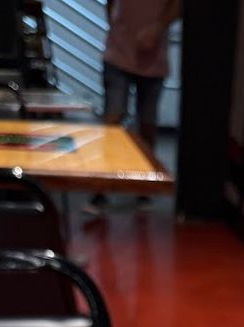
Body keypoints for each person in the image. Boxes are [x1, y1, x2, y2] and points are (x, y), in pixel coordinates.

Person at [88, 0, 181, 213]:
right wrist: (115, 27)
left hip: (153, 56)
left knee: (147, 124)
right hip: (118, 54)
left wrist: (157, 27)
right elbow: (110, 4)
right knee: (113, 121)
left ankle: (144, 185)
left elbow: (178, 6)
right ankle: (100, 187)